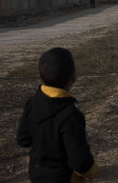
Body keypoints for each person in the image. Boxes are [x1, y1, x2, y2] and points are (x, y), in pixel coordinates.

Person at [17, 47, 98, 183]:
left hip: (36, 174)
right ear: (73, 76)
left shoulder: (32, 102)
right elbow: (79, 161)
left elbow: (23, 139)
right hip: (63, 178)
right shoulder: (71, 116)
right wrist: (92, 172)